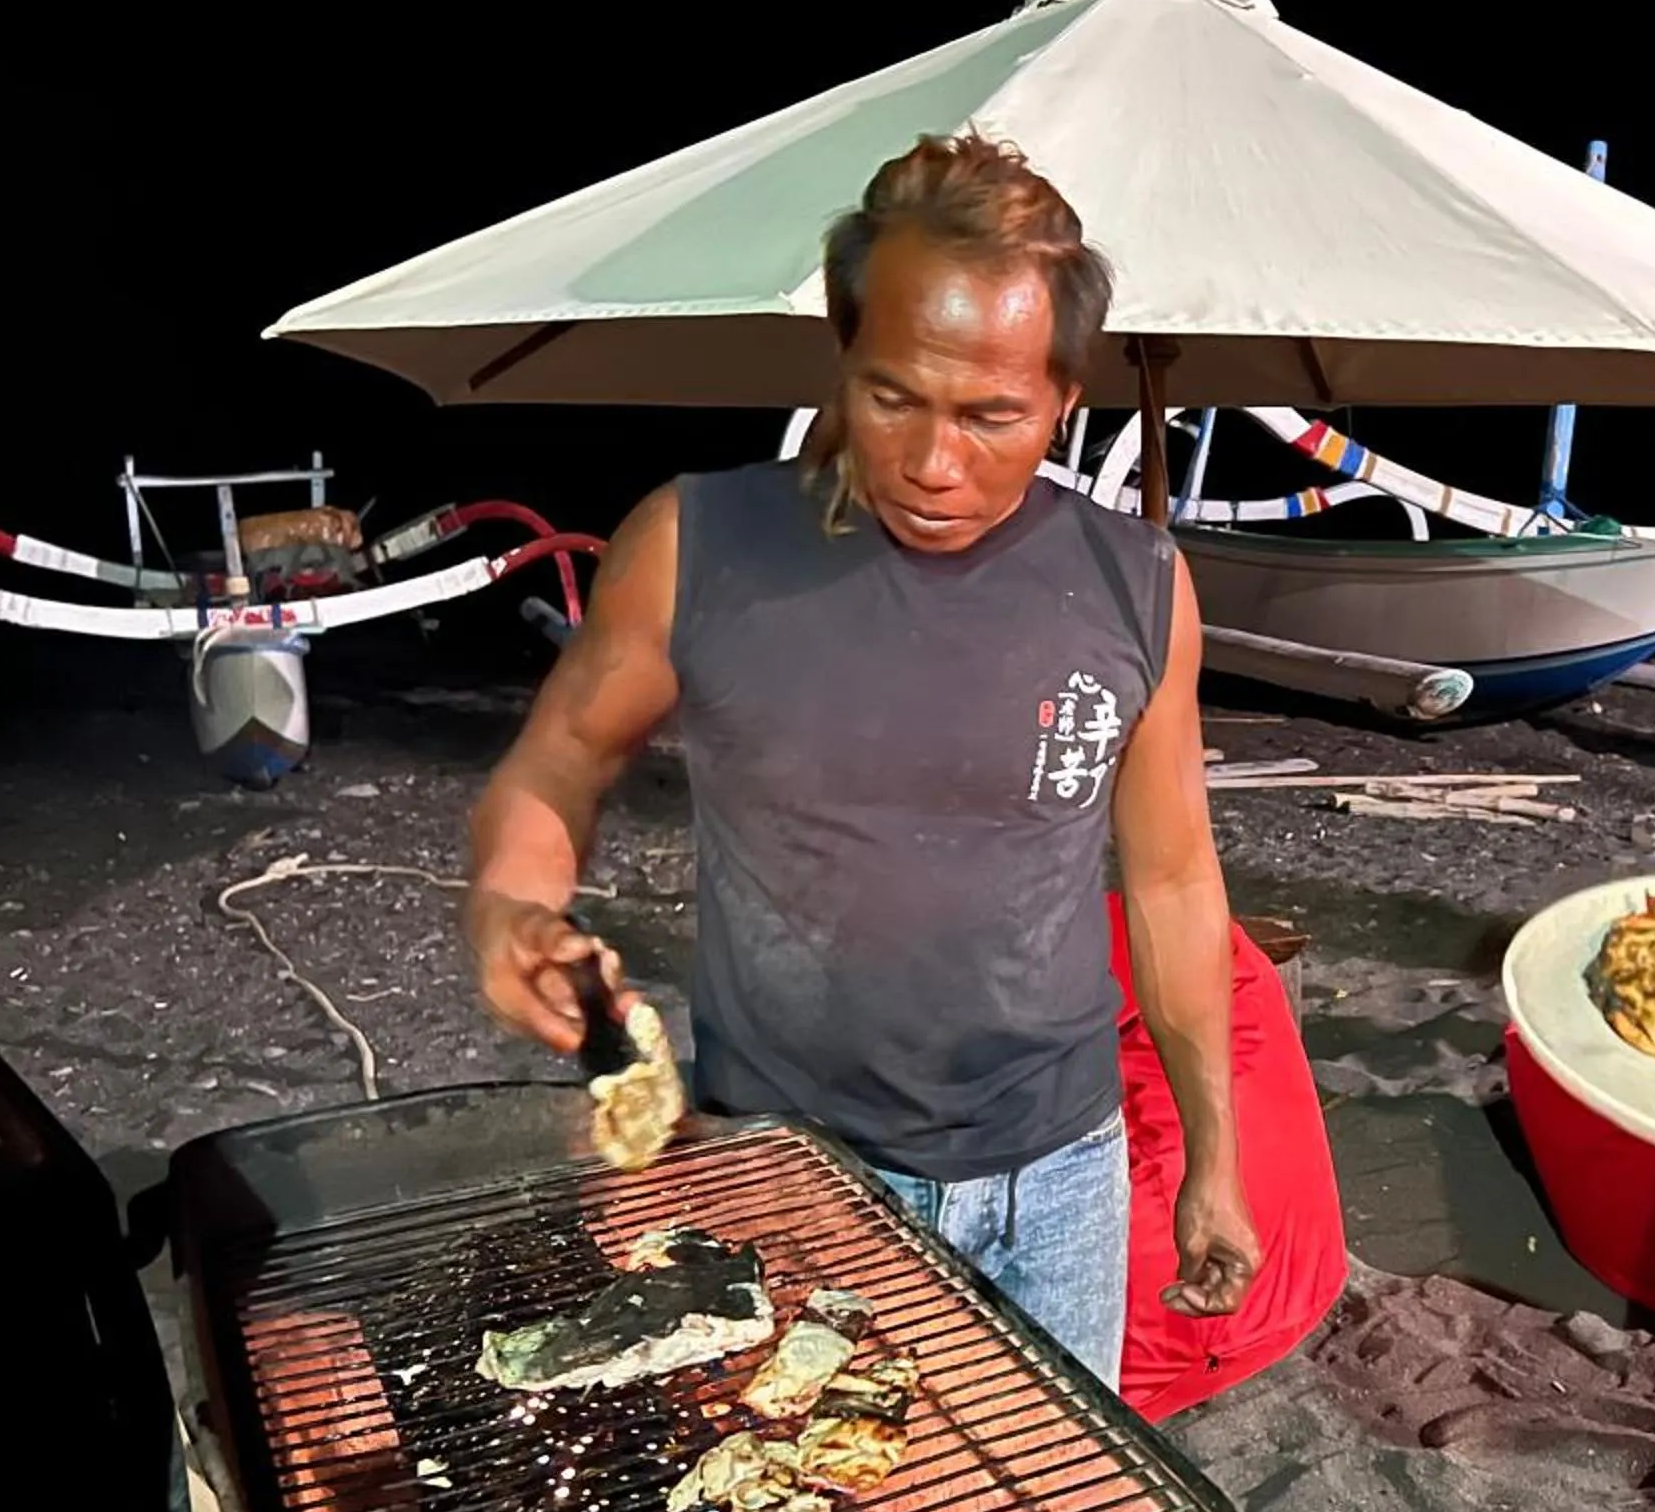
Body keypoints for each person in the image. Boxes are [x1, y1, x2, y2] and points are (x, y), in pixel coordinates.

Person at [460, 133, 1263, 1387]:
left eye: (994, 416)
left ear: (1064, 397)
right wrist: (512, 903)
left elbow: (1171, 883)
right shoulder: (698, 548)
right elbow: (555, 766)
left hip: (1061, 1181)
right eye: (893, 396)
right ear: (842, 352)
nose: (936, 465)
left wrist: (1214, 1152)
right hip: (792, 1174)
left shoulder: (1139, 584)